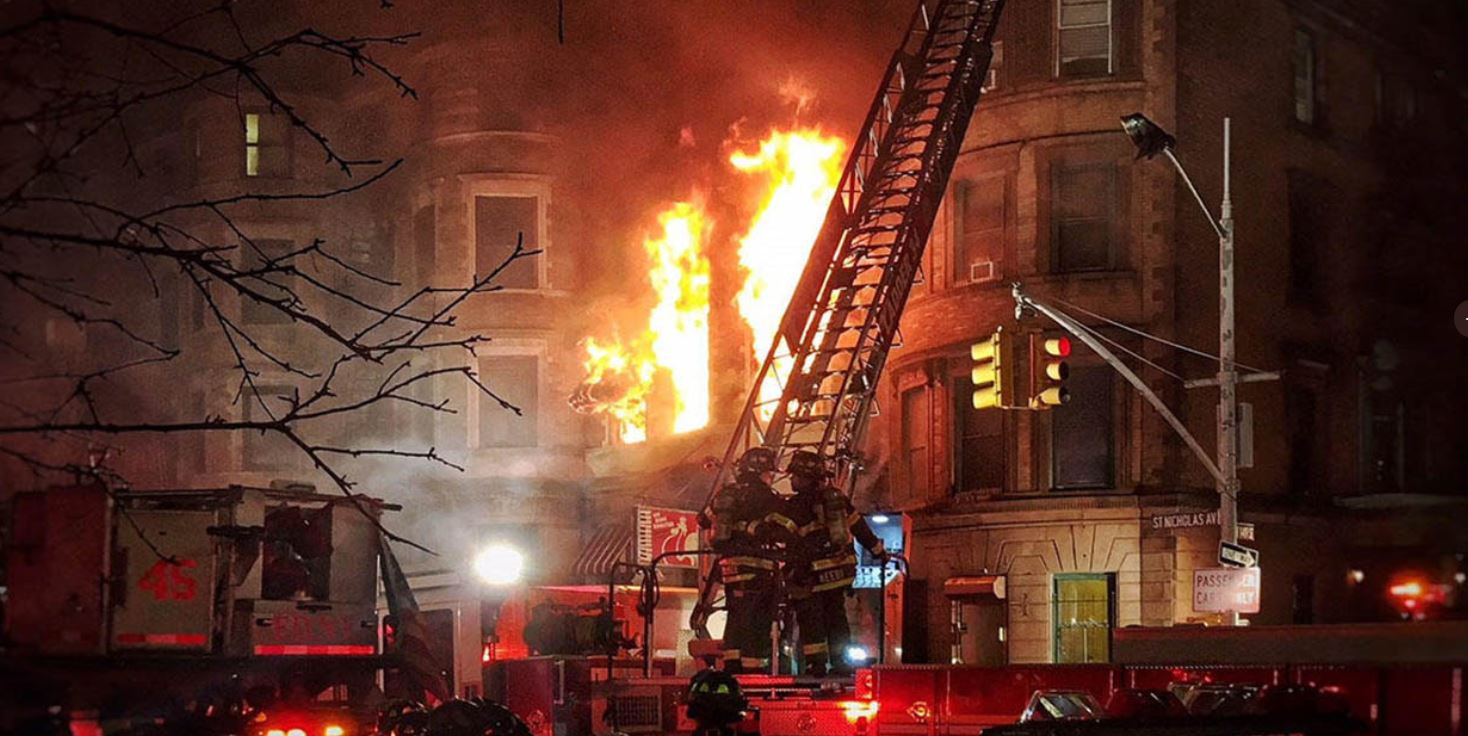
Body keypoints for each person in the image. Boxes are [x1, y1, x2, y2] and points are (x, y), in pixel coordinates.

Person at [781, 451, 885, 676]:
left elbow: (783, 535)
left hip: (810, 574)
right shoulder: (837, 500)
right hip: (839, 573)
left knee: (811, 620)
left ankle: (815, 665)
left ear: (804, 477)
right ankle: (841, 663)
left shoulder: (796, 505)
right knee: (836, 617)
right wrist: (878, 551)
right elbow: (860, 529)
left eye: (795, 476)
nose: (791, 481)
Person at [707, 447, 784, 674]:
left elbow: (705, 519)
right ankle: (753, 671)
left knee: (736, 616)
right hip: (758, 568)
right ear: (761, 471)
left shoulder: (727, 494)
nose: (771, 478)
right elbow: (781, 526)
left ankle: (731, 666)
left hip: (730, 567)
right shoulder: (766, 496)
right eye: (769, 473)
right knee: (757, 621)